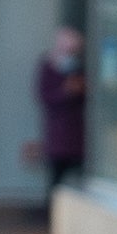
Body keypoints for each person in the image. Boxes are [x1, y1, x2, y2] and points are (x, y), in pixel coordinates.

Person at [35, 25, 88, 191]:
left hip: (79, 134)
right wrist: (66, 91)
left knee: (79, 179)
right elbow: (45, 96)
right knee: (57, 180)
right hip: (58, 134)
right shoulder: (49, 67)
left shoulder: (81, 68)